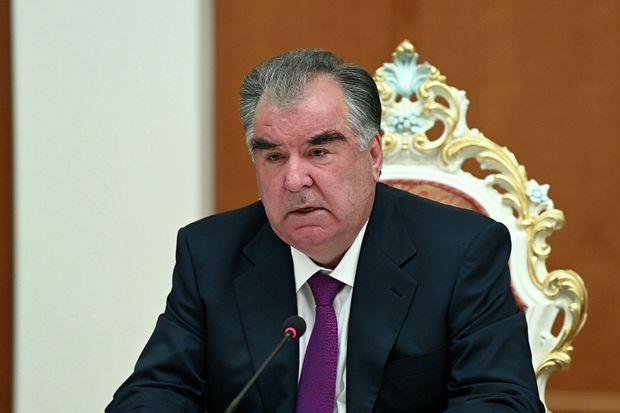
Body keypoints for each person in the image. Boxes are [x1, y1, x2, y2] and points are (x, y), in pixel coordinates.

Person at [106, 49, 544, 413]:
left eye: (319, 152)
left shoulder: (461, 252)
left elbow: (501, 400)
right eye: (274, 157)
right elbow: (153, 392)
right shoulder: (210, 253)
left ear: (373, 155)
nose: (295, 180)